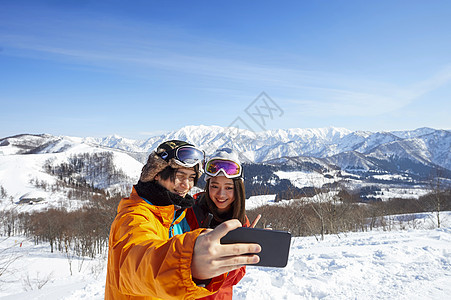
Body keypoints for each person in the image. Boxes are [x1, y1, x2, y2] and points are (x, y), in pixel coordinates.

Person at [105, 140, 261, 300]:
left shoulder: (175, 212)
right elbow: (137, 263)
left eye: (192, 177)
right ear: (157, 173)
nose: (186, 185)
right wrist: (188, 263)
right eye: (180, 176)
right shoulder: (134, 215)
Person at [186, 148, 261, 299]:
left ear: (238, 189)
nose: (221, 194)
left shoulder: (241, 221)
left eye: (229, 188)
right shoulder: (189, 213)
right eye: (214, 186)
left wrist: (243, 255)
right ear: (207, 186)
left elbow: (236, 278)